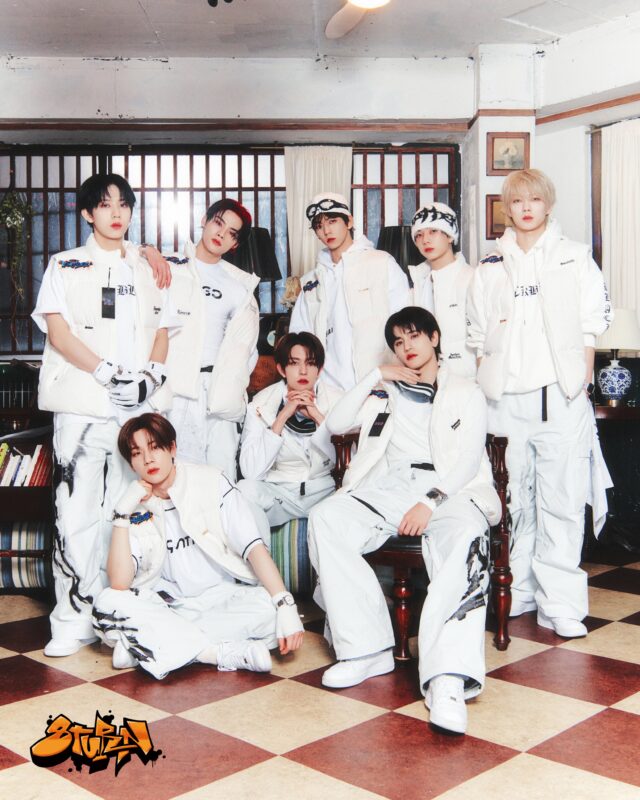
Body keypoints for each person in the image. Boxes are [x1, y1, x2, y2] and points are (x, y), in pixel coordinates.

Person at [308, 306, 500, 734]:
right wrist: (376, 375)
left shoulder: (466, 391)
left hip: (451, 489)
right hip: (392, 486)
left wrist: (430, 502)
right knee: (325, 518)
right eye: (397, 341)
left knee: (467, 536)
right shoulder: (387, 391)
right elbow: (336, 423)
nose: (406, 346)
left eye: (413, 336)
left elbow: (468, 460)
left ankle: (447, 678)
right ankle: (366, 649)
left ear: (434, 338)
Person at [32, 173, 175, 657]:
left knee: (134, 511)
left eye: (123, 204)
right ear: (88, 213)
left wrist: (150, 376)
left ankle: (122, 618)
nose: (116, 213)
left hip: (136, 412)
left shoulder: (149, 265)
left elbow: (162, 330)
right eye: (105, 204)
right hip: (83, 405)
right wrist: (105, 372)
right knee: (75, 514)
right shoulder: (65, 264)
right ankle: (71, 619)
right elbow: (58, 333)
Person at [466, 168, 612, 638]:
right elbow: (476, 333)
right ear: (507, 209)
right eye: (517, 201)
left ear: (548, 204)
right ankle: (521, 591)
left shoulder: (575, 257)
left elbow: (591, 324)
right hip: (505, 401)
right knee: (513, 500)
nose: (526, 208)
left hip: (561, 398)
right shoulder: (490, 265)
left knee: (562, 501)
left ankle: (561, 605)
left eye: (534, 199)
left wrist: (580, 382)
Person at [92, 413, 304, 679]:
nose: (148, 459)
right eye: (137, 453)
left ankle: (146, 647)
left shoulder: (211, 481)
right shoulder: (134, 503)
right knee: (106, 602)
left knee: (268, 608)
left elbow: (254, 548)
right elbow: (120, 583)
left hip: (222, 599)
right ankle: (216, 653)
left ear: (172, 448)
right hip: (169, 607)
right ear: (131, 462)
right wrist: (122, 514)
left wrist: (285, 604)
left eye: (155, 447)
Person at [142, 198, 258, 478]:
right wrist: (145, 250)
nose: (221, 234)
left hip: (218, 391)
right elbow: (120, 258)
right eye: (218, 223)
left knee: (221, 474)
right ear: (204, 220)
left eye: (231, 233)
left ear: (235, 244)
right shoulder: (169, 265)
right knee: (176, 474)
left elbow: (246, 349)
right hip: (176, 387)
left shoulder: (239, 287)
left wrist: (233, 386)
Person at [289, 192, 409, 392]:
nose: (326, 230)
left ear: (349, 221)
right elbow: (299, 336)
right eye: (319, 226)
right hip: (328, 389)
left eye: (332, 221)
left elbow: (405, 322)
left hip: (379, 384)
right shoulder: (311, 281)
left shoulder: (381, 263)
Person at [237, 332, 340, 535]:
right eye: (294, 363)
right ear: (281, 369)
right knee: (243, 490)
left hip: (324, 492)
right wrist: (283, 416)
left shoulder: (338, 400)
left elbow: (350, 461)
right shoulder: (261, 404)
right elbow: (251, 471)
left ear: (320, 369)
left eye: (310, 363)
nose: (303, 371)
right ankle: (259, 555)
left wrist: (318, 417)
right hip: (281, 493)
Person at [409, 202, 476, 378]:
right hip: (429, 381)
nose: (425, 240)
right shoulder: (418, 284)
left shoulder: (472, 279)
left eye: (433, 231)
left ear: (450, 236)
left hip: (467, 380)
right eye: (419, 235)